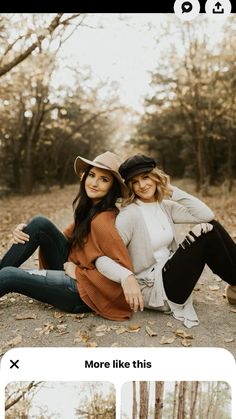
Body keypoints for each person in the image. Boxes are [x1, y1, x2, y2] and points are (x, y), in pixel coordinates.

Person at [95, 154, 236, 328]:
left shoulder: (165, 206)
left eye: (146, 177)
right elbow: (103, 258)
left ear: (155, 177)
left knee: (211, 225)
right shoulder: (129, 215)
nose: (142, 185)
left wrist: (172, 190)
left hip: (171, 275)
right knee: (206, 233)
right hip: (155, 289)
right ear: (130, 186)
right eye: (135, 181)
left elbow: (207, 215)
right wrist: (126, 278)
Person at [0, 152, 134, 320]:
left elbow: (121, 271)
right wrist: (24, 231)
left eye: (104, 179)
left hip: (81, 293)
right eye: (92, 175)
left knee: (8, 275)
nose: (94, 183)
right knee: (40, 223)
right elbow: (61, 239)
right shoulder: (90, 209)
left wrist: (78, 272)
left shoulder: (103, 222)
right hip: (72, 274)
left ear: (112, 187)